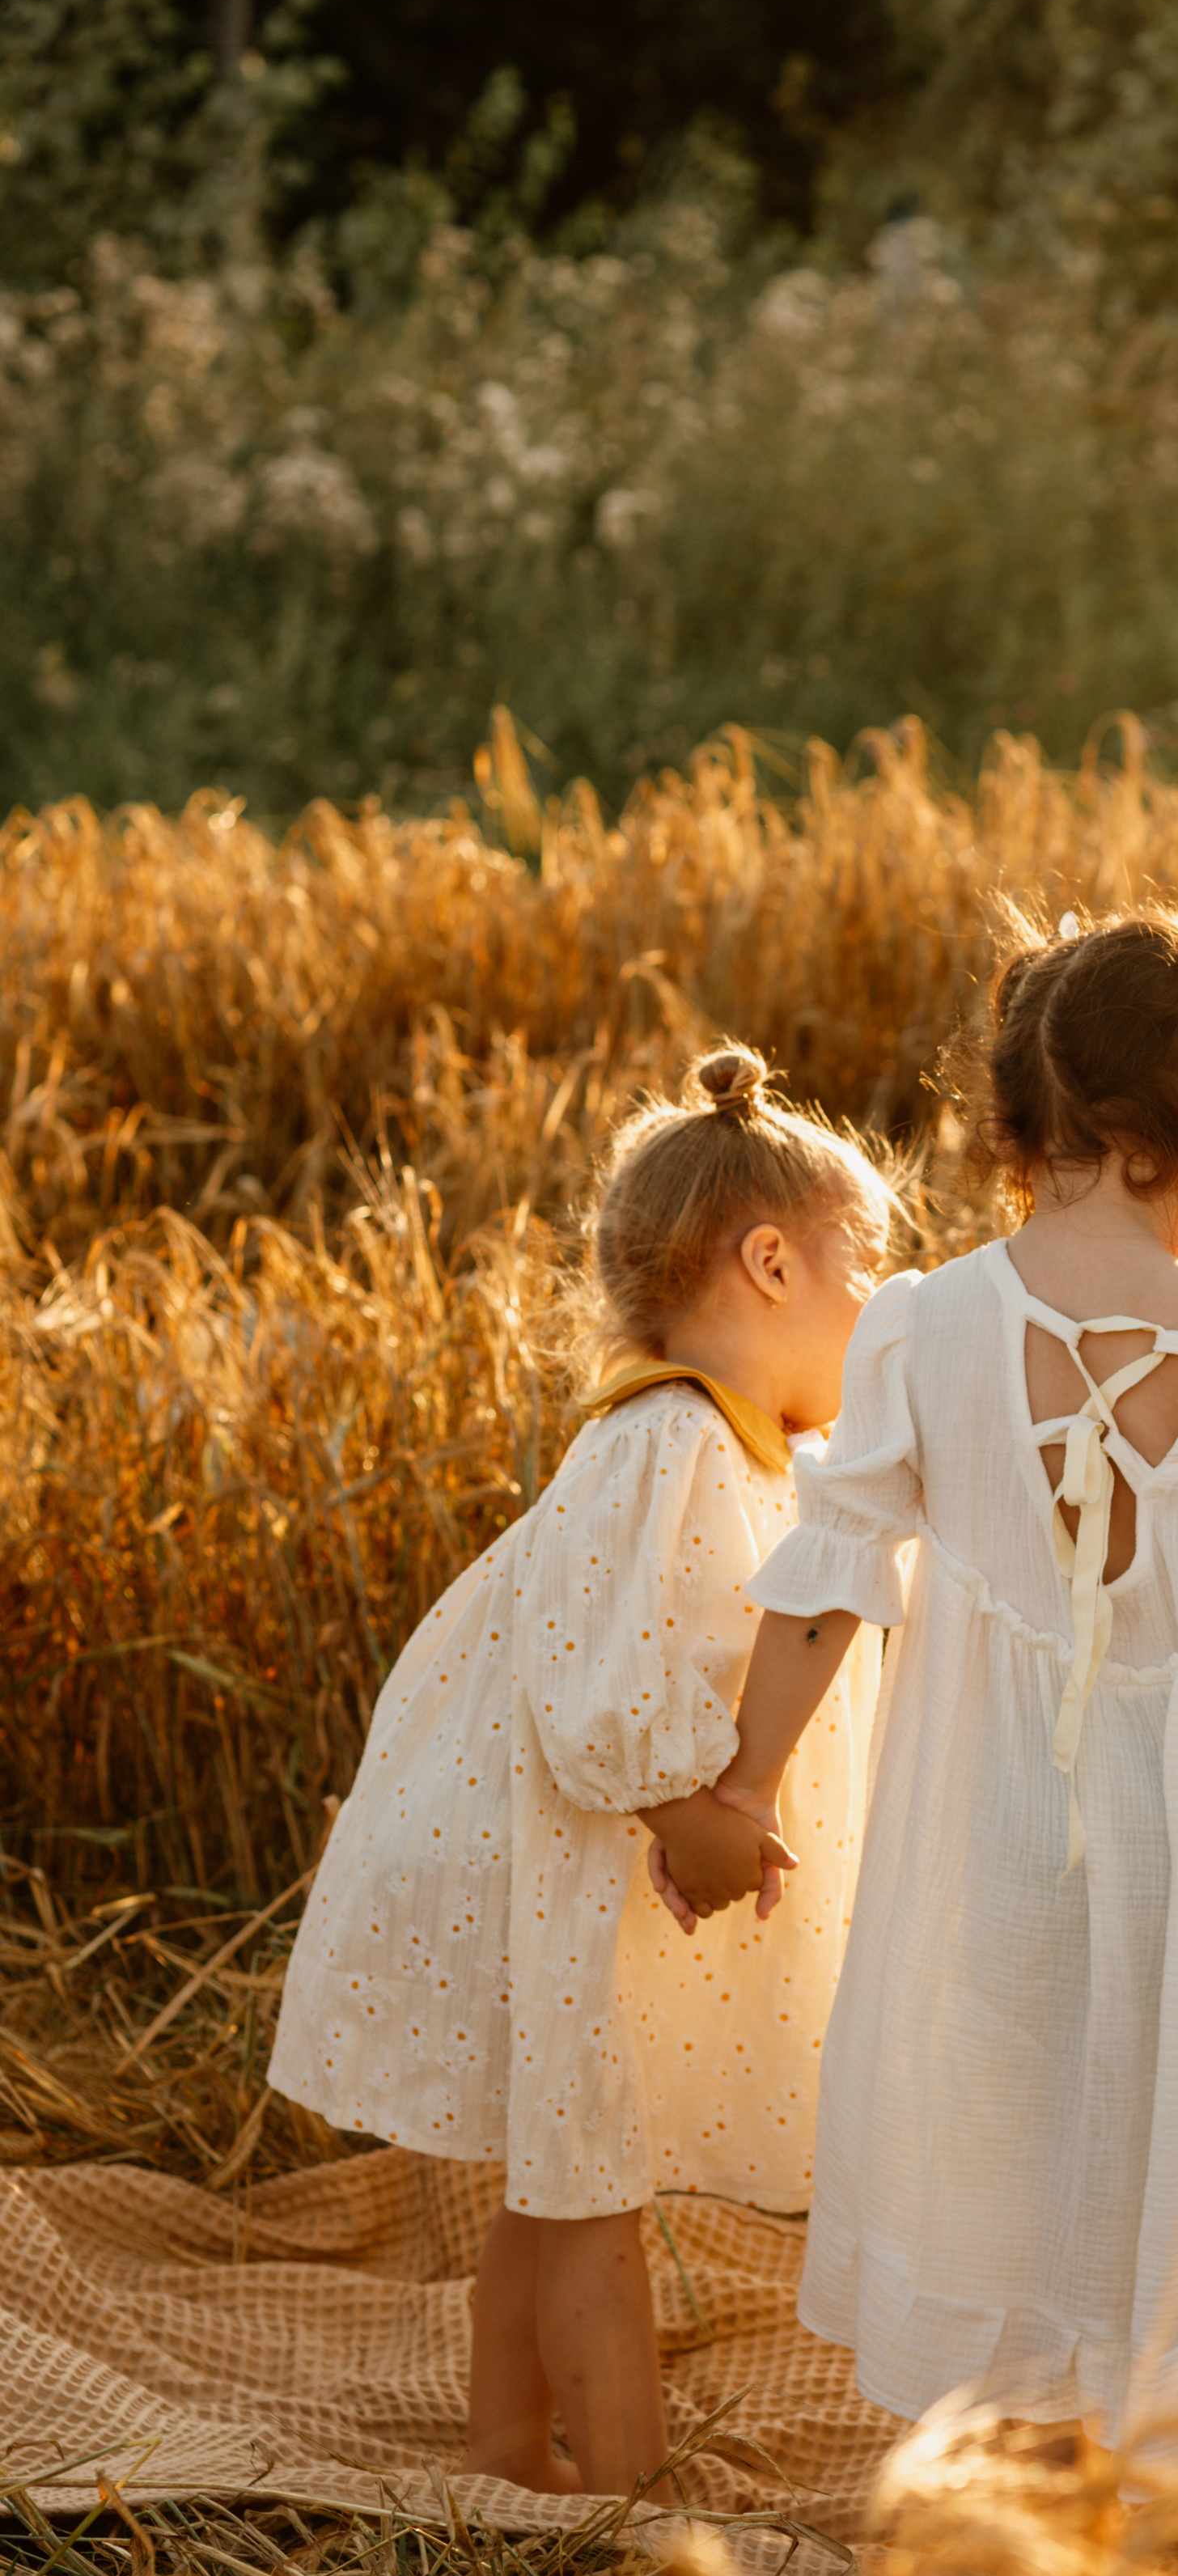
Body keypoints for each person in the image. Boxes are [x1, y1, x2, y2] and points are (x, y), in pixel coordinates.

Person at [659, 891, 1178, 2444]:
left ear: (1022, 1111)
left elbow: (827, 1578)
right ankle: (1170, 2474)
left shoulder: (918, 1324)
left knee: (999, 2120)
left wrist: (745, 1778)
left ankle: (995, 2468)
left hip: (988, 1825)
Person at [269, 1048, 893, 2495]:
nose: (880, 1310)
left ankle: (503, 2447)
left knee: (560, 2188)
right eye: (866, 1268)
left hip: (589, 1867)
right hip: (560, 1859)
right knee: (590, 2199)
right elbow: (596, 1684)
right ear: (771, 1264)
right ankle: (622, 2495)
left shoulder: (746, 1452)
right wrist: (696, 1811)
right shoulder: (665, 1440)